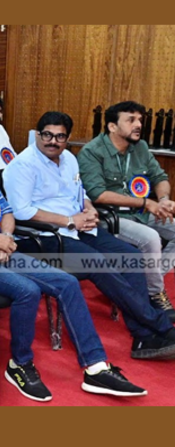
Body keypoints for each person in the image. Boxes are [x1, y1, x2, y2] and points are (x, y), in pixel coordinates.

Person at [0, 122, 148, 402]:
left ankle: (96, 367)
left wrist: (5, 236)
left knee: (66, 283)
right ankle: (20, 364)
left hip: (1, 249)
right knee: (27, 291)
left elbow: (6, 211)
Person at [4, 111, 175, 361]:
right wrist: (69, 220)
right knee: (97, 263)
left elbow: (79, 192)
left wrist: (89, 209)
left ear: (67, 138)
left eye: (60, 137)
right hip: (43, 237)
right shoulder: (22, 166)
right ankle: (157, 324)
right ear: (38, 135)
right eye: (47, 135)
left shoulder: (69, 159)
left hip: (78, 228)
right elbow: (21, 211)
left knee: (131, 256)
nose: (53, 142)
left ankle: (143, 337)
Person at [78, 101, 175, 322]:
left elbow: (160, 177)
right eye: (131, 120)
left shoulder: (140, 147)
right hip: (110, 216)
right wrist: (145, 203)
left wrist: (164, 200)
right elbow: (98, 194)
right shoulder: (92, 152)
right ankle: (155, 294)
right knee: (150, 238)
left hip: (140, 212)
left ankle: (146, 281)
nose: (139, 124)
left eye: (140, 119)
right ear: (112, 126)